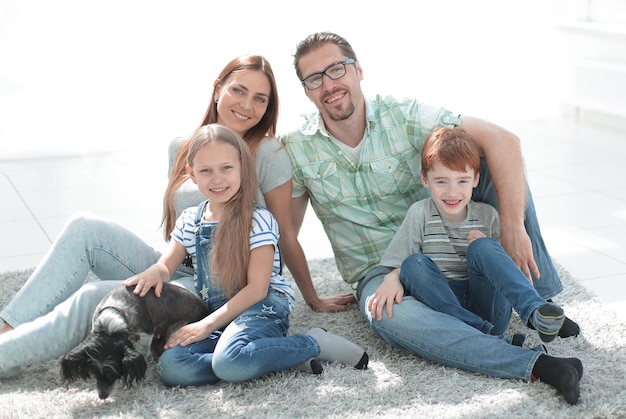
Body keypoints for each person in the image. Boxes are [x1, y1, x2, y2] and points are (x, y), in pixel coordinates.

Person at [0, 55, 352, 379]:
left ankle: (4, 354)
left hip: (212, 285)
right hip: (176, 263)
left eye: (260, 99)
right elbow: (179, 232)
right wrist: (157, 269)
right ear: (218, 89)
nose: (247, 105)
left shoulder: (268, 153)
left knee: (96, 295)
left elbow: (284, 234)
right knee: (83, 227)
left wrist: (312, 297)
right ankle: (9, 332)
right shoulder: (183, 147)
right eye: (239, 90)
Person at [279, 32, 582, 404]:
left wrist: (512, 226)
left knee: (487, 164)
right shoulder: (295, 147)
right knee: (387, 316)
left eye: (336, 69)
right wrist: (311, 297)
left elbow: (506, 140)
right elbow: (286, 232)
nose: (328, 84)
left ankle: (541, 297)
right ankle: (537, 363)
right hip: (380, 270)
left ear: (357, 69)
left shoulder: (402, 115)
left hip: (445, 239)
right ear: (306, 90)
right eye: (314, 78)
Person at [125, 123, 367, 386]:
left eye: (226, 168)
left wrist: (204, 326)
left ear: (242, 167)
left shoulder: (258, 219)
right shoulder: (189, 221)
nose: (217, 179)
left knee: (228, 362)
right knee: (172, 368)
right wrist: (154, 272)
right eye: (206, 171)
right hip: (220, 315)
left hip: (261, 308)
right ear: (191, 174)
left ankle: (312, 342)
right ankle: (272, 357)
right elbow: (166, 266)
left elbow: (257, 289)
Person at [378, 127, 566, 344]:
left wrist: (487, 245)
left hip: (490, 307)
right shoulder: (419, 213)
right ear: (425, 179)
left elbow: (503, 271)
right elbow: (404, 264)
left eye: (462, 181)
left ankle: (534, 311)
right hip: (447, 305)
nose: (452, 192)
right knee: (413, 263)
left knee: (483, 247)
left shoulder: (488, 215)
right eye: (441, 181)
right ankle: (483, 335)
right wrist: (392, 277)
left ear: (475, 179)